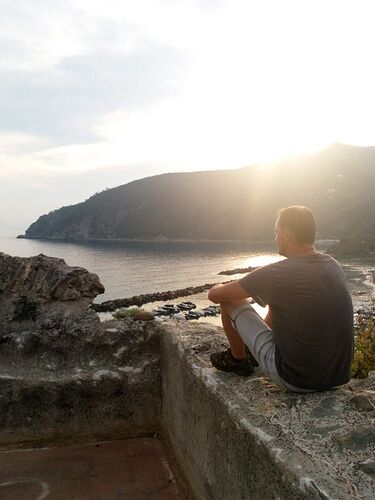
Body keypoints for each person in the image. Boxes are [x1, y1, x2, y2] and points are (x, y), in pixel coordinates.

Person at [208, 205, 354, 393]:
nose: (275, 238)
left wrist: (218, 286)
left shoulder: (279, 272)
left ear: (287, 234)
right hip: (337, 377)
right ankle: (253, 356)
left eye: (276, 233)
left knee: (229, 300)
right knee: (281, 300)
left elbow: (216, 296)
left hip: (297, 379)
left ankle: (238, 360)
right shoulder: (332, 264)